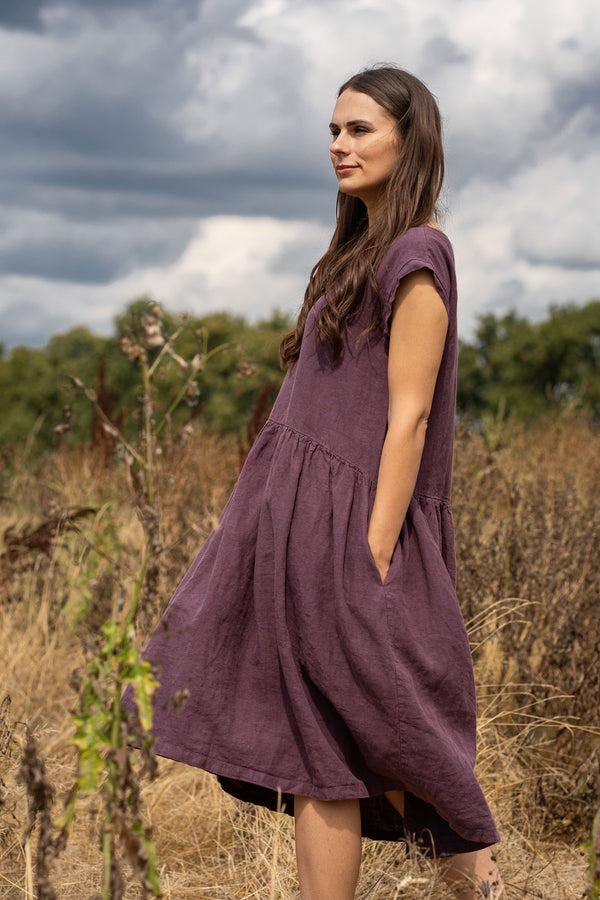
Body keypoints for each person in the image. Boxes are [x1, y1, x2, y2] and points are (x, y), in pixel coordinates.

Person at [124, 65, 507, 899]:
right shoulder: (349, 256)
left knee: (407, 742)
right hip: (297, 530)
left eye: (359, 129)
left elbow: (409, 416)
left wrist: (373, 550)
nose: (339, 145)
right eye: (333, 130)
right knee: (319, 751)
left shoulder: (418, 252)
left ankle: (489, 891)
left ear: (411, 139)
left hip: (358, 536)